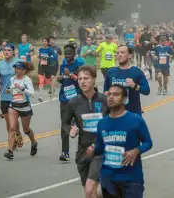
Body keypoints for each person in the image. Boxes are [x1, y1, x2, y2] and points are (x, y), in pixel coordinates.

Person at [91, 84, 153, 198]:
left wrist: (136, 150)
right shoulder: (102, 123)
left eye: (115, 94)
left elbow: (148, 142)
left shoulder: (136, 120)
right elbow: (100, 148)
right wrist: (93, 150)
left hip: (131, 180)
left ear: (124, 99)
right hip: (108, 179)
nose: (110, 97)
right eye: (109, 94)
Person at [64, 66, 107, 198]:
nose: (82, 81)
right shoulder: (73, 103)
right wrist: (70, 130)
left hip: (101, 151)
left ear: (93, 80)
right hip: (83, 152)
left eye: (86, 78)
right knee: (93, 193)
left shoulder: (104, 100)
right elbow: (65, 123)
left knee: (90, 190)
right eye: (80, 78)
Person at [4, 61, 38, 159]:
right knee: (11, 128)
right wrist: (9, 90)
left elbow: (32, 94)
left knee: (26, 129)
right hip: (14, 106)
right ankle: (10, 151)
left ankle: (34, 142)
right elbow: (13, 89)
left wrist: (22, 89)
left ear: (23, 71)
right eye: (15, 68)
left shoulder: (27, 80)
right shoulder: (12, 79)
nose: (16, 70)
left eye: (18, 68)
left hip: (25, 107)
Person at [103, 46, 150, 114]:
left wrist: (134, 85)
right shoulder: (111, 72)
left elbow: (146, 91)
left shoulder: (137, 71)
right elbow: (105, 91)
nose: (119, 55)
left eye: (122, 52)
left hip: (133, 113)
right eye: (118, 53)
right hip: (115, 114)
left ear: (129, 56)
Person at [58, 44, 85, 161]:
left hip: (76, 98)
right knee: (64, 125)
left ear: (74, 54)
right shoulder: (63, 66)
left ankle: (84, 151)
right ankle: (65, 152)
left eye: (69, 53)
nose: (67, 56)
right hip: (64, 98)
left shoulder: (79, 65)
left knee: (82, 126)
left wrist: (71, 75)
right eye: (66, 54)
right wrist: (61, 79)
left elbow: (81, 81)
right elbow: (63, 80)